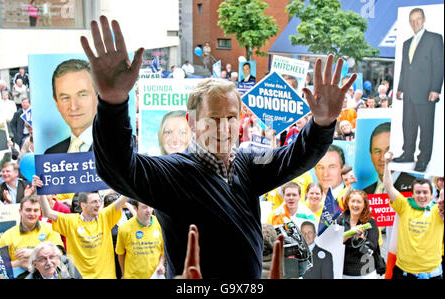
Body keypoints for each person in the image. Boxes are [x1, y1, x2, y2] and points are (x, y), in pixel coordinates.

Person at [79, 15, 356, 278]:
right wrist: (113, 103)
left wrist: (322, 123)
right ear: (192, 121)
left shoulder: (248, 165)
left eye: (231, 118)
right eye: (214, 119)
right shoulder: (171, 175)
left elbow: (298, 157)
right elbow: (117, 167)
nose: (224, 128)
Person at [36, 177, 130, 279]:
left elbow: (123, 198)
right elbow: (47, 212)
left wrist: (130, 178)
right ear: (83, 205)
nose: (98, 204)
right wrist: (40, 190)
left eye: (99, 201)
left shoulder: (105, 216)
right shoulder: (70, 221)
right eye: (94, 202)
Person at [394, 8, 444, 172]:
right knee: (408, 124)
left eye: (418, 19)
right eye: (412, 20)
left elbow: (439, 65)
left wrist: (436, 89)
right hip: (408, 91)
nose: (415, 23)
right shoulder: (406, 43)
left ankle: (423, 159)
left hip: (426, 92)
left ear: (423, 19)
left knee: (426, 127)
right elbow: (404, 67)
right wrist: (400, 88)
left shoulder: (434, 39)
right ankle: (407, 153)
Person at [384, 152, 444, 279]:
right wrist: (386, 164)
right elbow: (389, 187)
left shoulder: (438, 210)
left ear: (431, 194)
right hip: (405, 273)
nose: (421, 196)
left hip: (432, 273)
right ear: (412, 194)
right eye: (418, 192)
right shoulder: (404, 205)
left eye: (425, 192)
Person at [0, 196, 64, 271]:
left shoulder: (50, 229)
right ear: (20, 211)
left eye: (35, 210)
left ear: (40, 212)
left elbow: (60, 254)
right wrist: (18, 263)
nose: (32, 214)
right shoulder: (8, 236)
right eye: (28, 210)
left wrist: (34, 253)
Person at [44, 59, 98, 154]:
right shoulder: (51, 154)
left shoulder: (118, 148)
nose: (73, 106)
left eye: (82, 95)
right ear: (56, 103)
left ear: (98, 97)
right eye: (65, 98)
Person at [116, 200, 165, 279]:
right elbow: (120, 254)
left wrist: (161, 264)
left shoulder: (160, 224)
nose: (148, 210)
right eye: (144, 207)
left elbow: (163, 250)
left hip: (155, 275)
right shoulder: (124, 229)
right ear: (135, 208)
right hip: (132, 276)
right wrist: (124, 274)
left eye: (150, 206)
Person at [337, 190, 380, 279]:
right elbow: (334, 244)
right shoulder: (340, 220)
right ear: (348, 203)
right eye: (353, 201)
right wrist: (350, 234)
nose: (355, 205)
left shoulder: (370, 222)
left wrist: (360, 240)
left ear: (364, 205)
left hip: (366, 272)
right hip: (344, 272)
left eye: (359, 202)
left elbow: (371, 250)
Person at [363, 122, 415, 195]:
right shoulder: (364, 193)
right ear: (371, 155)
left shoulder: (415, 187)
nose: (383, 158)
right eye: (377, 151)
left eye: (388, 150)